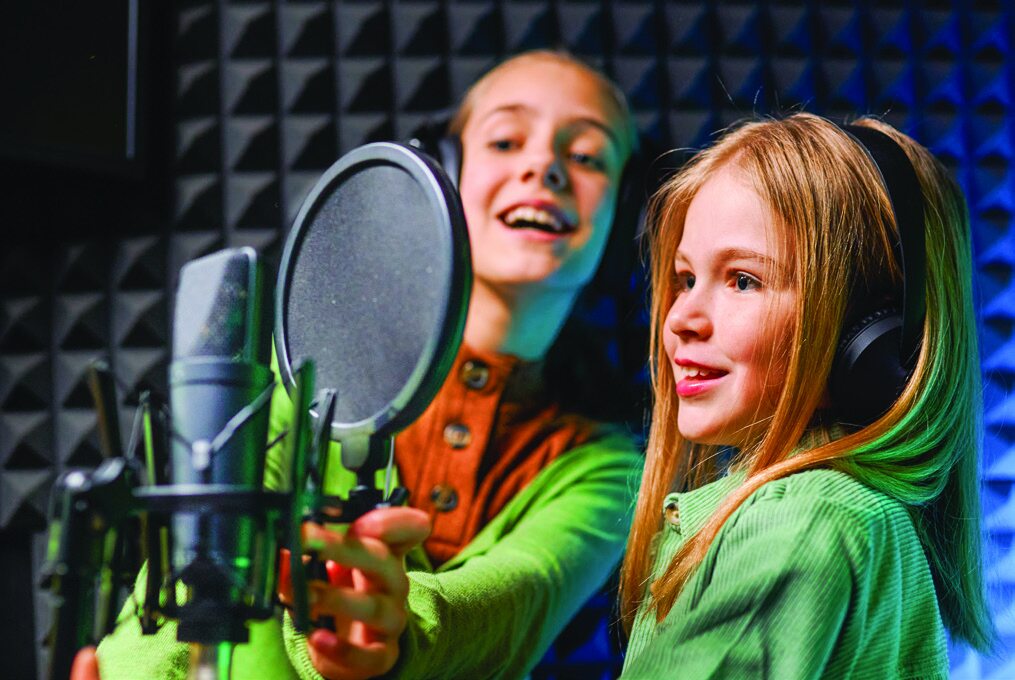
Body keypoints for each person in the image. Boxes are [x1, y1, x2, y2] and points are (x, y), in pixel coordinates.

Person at [94, 50, 645, 679]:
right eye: (505, 140)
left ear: (623, 211)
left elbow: (514, 604)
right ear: (449, 171)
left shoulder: (607, 470)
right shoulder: (292, 395)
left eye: (586, 157)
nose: (543, 166)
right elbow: (190, 593)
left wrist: (395, 628)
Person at [617, 113, 994, 678]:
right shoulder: (847, 515)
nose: (681, 318)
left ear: (866, 334)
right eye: (686, 278)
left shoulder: (803, 525)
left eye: (743, 280)